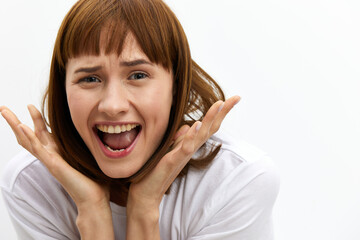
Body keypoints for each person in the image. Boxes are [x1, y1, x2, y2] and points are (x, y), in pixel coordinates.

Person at [0, 0, 279, 239]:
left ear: (176, 85)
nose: (112, 105)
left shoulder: (235, 182)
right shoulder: (32, 185)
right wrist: (92, 210)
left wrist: (144, 210)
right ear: (63, 89)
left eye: (137, 75)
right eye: (90, 78)